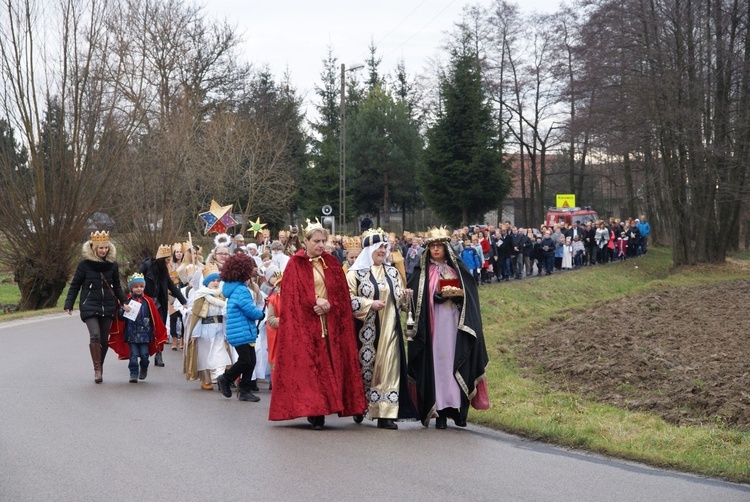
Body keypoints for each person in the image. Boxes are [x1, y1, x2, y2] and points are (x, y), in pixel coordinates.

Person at [268, 218, 365, 430]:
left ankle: (337, 405)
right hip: (307, 325)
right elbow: (292, 296)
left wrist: (329, 304)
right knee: (312, 367)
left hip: (331, 324)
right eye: (317, 241)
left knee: (332, 363)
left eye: (324, 241)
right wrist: (314, 302)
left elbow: (341, 295)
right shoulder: (295, 263)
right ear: (306, 241)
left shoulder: (331, 263)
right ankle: (316, 411)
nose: (321, 245)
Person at [406, 226, 489, 429]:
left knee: (457, 364)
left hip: (455, 329)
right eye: (432, 246)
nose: (435, 250)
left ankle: (458, 409)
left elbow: (470, 295)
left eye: (439, 246)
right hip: (433, 331)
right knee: (439, 368)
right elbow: (413, 300)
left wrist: (460, 297)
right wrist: (429, 297)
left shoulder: (457, 270)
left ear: (446, 248)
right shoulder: (422, 273)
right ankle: (441, 411)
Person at [347, 229, 418, 430]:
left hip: (390, 331)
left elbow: (400, 302)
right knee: (366, 371)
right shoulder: (355, 274)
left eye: (385, 247)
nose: (383, 250)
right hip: (366, 331)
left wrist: (406, 296)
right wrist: (369, 304)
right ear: (369, 249)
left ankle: (386, 413)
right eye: (379, 247)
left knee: (390, 369)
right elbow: (347, 300)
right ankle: (360, 406)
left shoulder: (393, 272)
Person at [64, 231, 130, 383]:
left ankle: (100, 364)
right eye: (100, 248)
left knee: (104, 340)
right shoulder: (84, 265)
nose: (103, 251)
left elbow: (117, 287)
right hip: (89, 305)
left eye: (105, 248)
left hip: (107, 306)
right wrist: (69, 304)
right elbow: (75, 285)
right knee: (95, 335)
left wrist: (124, 302)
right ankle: (97, 369)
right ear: (94, 248)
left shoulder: (112, 265)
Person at [217, 254, 265, 402]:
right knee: (245, 360)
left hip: (242, 329)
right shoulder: (241, 290)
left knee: (251, 360)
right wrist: (260, 314)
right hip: (241, 330)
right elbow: (249, 309)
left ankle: (245, 389)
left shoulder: (234, 288)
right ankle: (226, 378)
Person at [109, 273, 168, 383]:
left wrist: (155, 332)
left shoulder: (148, 301)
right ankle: (133, 373)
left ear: (144, 287)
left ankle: (144, 367)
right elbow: (121, 318)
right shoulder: (126, 301)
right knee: (134, 355)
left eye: (141, 286)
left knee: (144, 355)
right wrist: (123, 310)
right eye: (136, 287)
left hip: (145, 334)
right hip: (131, 334)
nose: (138, 289)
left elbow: (155, 318)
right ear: (131, 288)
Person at [138, 245, 189, 367]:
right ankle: (142, 354)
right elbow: (136, 280)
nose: (169, 262)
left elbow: (172, 287)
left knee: (159, 330)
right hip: (146, 303)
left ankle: (159, 355)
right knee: (145, 329)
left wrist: (184, 302)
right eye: (167, 260)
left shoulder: (163, 271)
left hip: (159, 304)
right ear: (161, 259)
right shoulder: (145, 266)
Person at [183, 263, 231, 391]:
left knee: (220, 355)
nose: (215, 283)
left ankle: (220, 377)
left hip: (219, 329)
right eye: (213, 281)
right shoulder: (201, 296)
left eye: (217, 280)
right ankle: (206, 380)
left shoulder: (222, 296)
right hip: (205, 331)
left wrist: (227, 332)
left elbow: (225, 317)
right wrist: (194, 333)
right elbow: (197, 317)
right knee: (205, 356)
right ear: (207, 282)